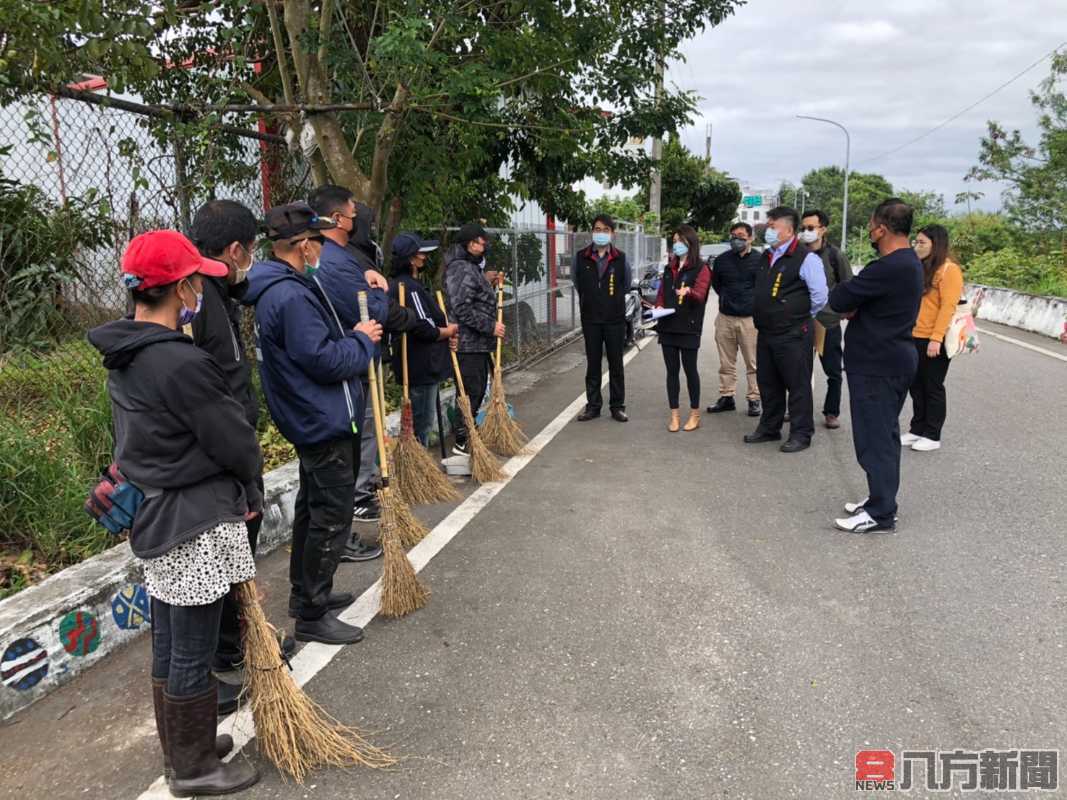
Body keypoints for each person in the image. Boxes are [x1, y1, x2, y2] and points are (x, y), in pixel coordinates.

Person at [88, 230, 263, 796]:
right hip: (193, 521)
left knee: (169, 639)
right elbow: (234, 440)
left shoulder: (128, 352)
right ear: (182, 287)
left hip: (158, 517)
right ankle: (192, 768)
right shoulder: (179, 362)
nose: (200, 293)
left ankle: (184, 742)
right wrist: (250, 479)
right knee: (191, 645)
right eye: (195, 282)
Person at [244, 203, 383, 644]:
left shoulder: (289, 286)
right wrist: (362, 341)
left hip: (312, 416)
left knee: (311, 509)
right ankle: (311, 614)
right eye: (318, 241)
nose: (322, 248)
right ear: (303, 246)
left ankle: (306, 595)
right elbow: (321, 360)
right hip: (321, 419)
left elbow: (317, 346)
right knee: (330, 516)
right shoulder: (289, 296)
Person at [188, 199, 294, 715]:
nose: (250, 264)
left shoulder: (213, 290)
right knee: (217, 568)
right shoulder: (198, 303)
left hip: (223, 457)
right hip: (217, 462)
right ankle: (216, 664)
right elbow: (218, 400)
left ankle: (235, 649)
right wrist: (245, 471)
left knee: (235, 560)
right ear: (233, 250)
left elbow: (248, 287)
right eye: (249, 253)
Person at [309, 185, 422, 531]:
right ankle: (357, 500)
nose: (359, 222)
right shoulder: (332, 262)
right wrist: (378, 291)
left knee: (369, 430)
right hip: (352, 359)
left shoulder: (347, 257)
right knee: (363, 432)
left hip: (364, 355)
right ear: (339, 219)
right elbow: (372, 311)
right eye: (354, 217)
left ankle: (358, 495)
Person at [829, 198, 923, 533]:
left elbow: (840, 299)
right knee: (884, 436)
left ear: (882, 228)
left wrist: (853, 302)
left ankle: (882, 513)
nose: (869, 230)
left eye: (871, 224)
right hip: (890, 359)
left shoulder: (888, 266)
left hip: (877, 364)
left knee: (875, 440)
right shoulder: (908, 262)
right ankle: (879, 500)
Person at [744, 206, 828, 453]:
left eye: (772, 226)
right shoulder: (767, 256)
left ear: (789, 230)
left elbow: (819, 296)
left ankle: (802, 433)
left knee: (797, 384)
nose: (768, 230)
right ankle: (770, 427)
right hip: (767, 332)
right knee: (768, 382)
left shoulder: (806, 259)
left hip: (793, 333)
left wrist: (796, 315)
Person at [388, 232, 459, 445]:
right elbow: (424, 326)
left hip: (421, 366)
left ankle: (420, 467)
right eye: (421, 254)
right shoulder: (408, 288)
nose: (424, 258)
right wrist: (448, 332)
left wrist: (447, 337)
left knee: (422, 422)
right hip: (420, 367)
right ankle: (417, 467)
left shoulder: (408, 285)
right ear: (411, 259)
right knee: (421, 423)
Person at [443, 222, 507, 454]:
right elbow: (461, 308)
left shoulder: (470, 268)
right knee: (470, 391)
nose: (485, 246)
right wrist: (490, 326)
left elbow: (473, 294)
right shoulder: (460, 268)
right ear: (470, 243)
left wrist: (485, 281)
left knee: (477, 390)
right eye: (482, 242)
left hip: (477, 344)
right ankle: (463, 439)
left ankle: (469, 435)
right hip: (467, 344)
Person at [903, 224, 964, 452]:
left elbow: (948, 307)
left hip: (933, 339)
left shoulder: (949, 270)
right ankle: (917, 429)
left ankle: (932, 434)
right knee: (915, 385)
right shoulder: (921, 268)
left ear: (935, 245)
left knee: (932, 386)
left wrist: (936, 338)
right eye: (915, 242)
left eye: (922, 243)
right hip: (913, 335)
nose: (916, 246)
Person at [799, 209, 853, 429]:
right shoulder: (797, 254)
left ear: (823, 229)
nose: (806, 232)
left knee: (832, 371)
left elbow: (848, 285)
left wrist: (839, 312)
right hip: (800, 321)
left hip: (827, 322)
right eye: (803, 228)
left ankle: (831, 412)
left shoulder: (834, 255)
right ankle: (797, 409)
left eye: (811, 228)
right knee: (799, 370)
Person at [654, 225, 712, 432]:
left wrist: (689, 292)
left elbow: (701, 295)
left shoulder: (701, 268)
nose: (677, 245)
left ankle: (695, 414)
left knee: (690, 371)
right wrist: (658, 306)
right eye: (675, 241)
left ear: (691, 243)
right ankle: (675, 415)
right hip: (668, 326)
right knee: (672, 372)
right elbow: (662, 294)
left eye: (681, 241)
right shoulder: (670, 268)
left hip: (689, 327)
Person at [575, 213, 631, 422]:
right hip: (591, 320)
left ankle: (617, 406)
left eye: (605, 230)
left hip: (614, 319)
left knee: (616, 364)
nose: (601, 233)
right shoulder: (581, 257)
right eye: (597, 229)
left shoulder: (620, 258)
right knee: (593, 364)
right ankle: (593, 406)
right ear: (592, 232)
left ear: (612, 234)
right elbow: (577, 282)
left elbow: (625, 286)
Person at [708, 221, 762, 417]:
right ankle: (727, 396)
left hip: (750, 320)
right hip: (725, 318)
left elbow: (763, 287)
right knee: (726, 362)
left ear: (751, 238)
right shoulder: (722, 260)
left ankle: (754, 399)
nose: (736, 239)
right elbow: (717, 285)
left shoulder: (761, 259)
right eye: (733, 236)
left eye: (741, 236)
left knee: (754, 363)